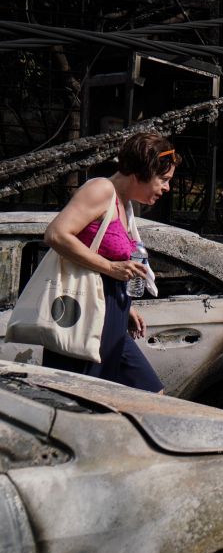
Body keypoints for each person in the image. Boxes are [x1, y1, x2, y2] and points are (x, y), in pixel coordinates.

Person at [41, 132, 174, 392]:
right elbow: (56, 234)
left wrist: (125, 306)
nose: (167, 188)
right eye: (164, 179)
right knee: (78, 404)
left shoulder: (124, 205)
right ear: (143, 171)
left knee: (150, 394)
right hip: (83, 316)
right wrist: (112, 268)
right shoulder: (100, 189)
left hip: (111, 314)